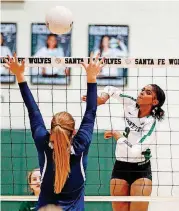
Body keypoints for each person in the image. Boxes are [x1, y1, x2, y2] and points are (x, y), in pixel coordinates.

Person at [4, 52, 104, 211]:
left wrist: (19, 75)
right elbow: (91, 110)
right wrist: (92, 77)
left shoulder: (43, 141)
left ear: (51, 130)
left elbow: (33, 111)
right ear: (74, 132)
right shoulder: (81, 143)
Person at [83, 84, 165, 211]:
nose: (142, 92)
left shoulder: (151, 123)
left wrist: (118, 136)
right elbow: (111, 89)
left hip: (140, 170)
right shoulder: (131, 103)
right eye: (142, 89)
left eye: (148, 92)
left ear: (155, 102)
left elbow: (134, 152)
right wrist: (102, 99)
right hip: (120, 166)